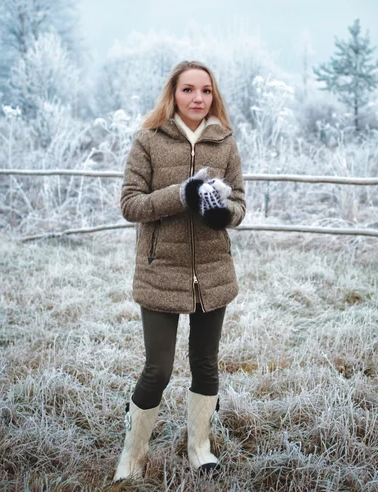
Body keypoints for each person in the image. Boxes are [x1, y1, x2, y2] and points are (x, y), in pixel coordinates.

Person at [113, 60, 246, 481]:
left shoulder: (224, 141)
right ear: (173, 93)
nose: (197, 99)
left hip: (212, 272)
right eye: (189, 90)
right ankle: (133, 455)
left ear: (213, 96)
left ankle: (200, 447)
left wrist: (221, 211)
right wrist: (181, 194)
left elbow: (240, 203)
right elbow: (131, 204)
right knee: (159, 368)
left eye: (205, 91)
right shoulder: (148, 140)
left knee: (206, 364)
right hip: (160, 271)